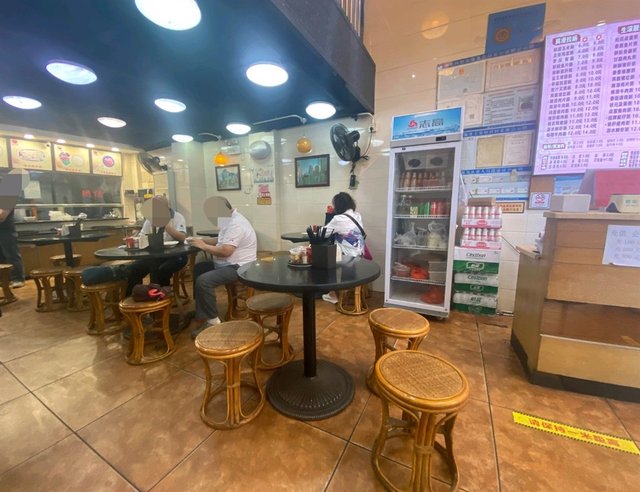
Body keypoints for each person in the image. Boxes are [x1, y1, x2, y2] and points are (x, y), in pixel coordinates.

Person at [188, 198, 257, 338]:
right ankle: (202, 311)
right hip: (228, 263)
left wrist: (203, 246)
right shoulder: (228, 220)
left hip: (240, 267)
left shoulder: (236, 224)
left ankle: (212, 321)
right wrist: (201, 240)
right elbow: (220, 240)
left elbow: (226, 251)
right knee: (199, 268)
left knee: (204, 280)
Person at [126, 196, 187, 295]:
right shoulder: (150, 219)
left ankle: (161, 298)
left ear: (167, 207)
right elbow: (142, 236)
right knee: (134, 269)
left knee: (160, 269)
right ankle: (134, 298)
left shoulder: (177, 217)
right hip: (155, 255)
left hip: (176, 255)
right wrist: (135, 238)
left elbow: (182, 237)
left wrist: (166, 225)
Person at [322, 192, 365, 304]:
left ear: (338, 205)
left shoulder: (339, 219)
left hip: (348, 258)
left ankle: (332, 294)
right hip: (360, 254)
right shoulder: (357, 215)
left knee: (324, 261)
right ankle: (342, 290)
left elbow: (323, 233)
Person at [0, 206, 26, 288]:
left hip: (5, 230)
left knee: (11, 254)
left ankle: (17, 279)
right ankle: (4, 280)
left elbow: (2, 215)